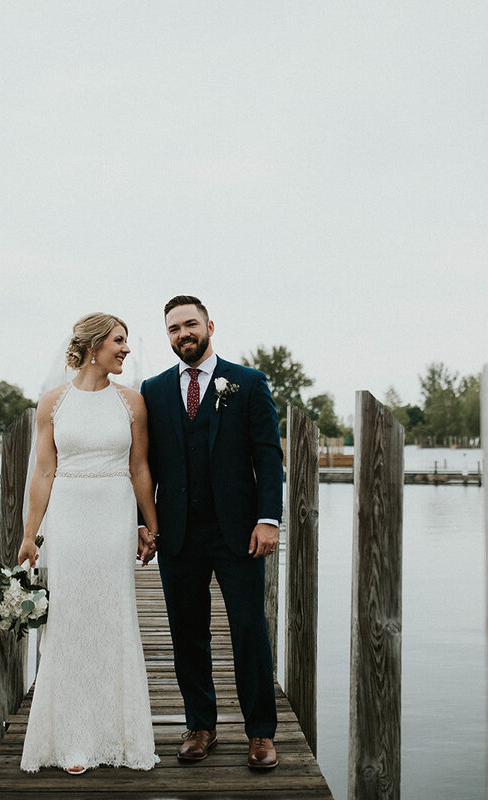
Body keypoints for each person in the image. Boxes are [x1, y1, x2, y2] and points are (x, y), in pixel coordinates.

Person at [139, 295, 282, 770]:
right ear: (168, 335)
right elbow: (147, 465)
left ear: (210, 325)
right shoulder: (153, 390)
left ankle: (260, 732)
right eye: (174, 328)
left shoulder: (248, 382)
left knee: (248, 630)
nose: (183, 334)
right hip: (178, 534)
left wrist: (269, 519)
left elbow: (267, 455)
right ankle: (201, 726)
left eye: (190, 324)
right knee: (187, 633)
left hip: (239, 532)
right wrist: (145, 524)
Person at [17, 312, 160, 775]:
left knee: (113, 616)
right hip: (71, 519)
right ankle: (73, 739)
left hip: (114, 517)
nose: (126, 349)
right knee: (72, 618)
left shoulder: (133, 403)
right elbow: (43, 472)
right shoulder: (52, 404)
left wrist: (150, 526)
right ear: (95, 345)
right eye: (119, 341)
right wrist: (28, 535)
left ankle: (119, 734)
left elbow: (140, 469)